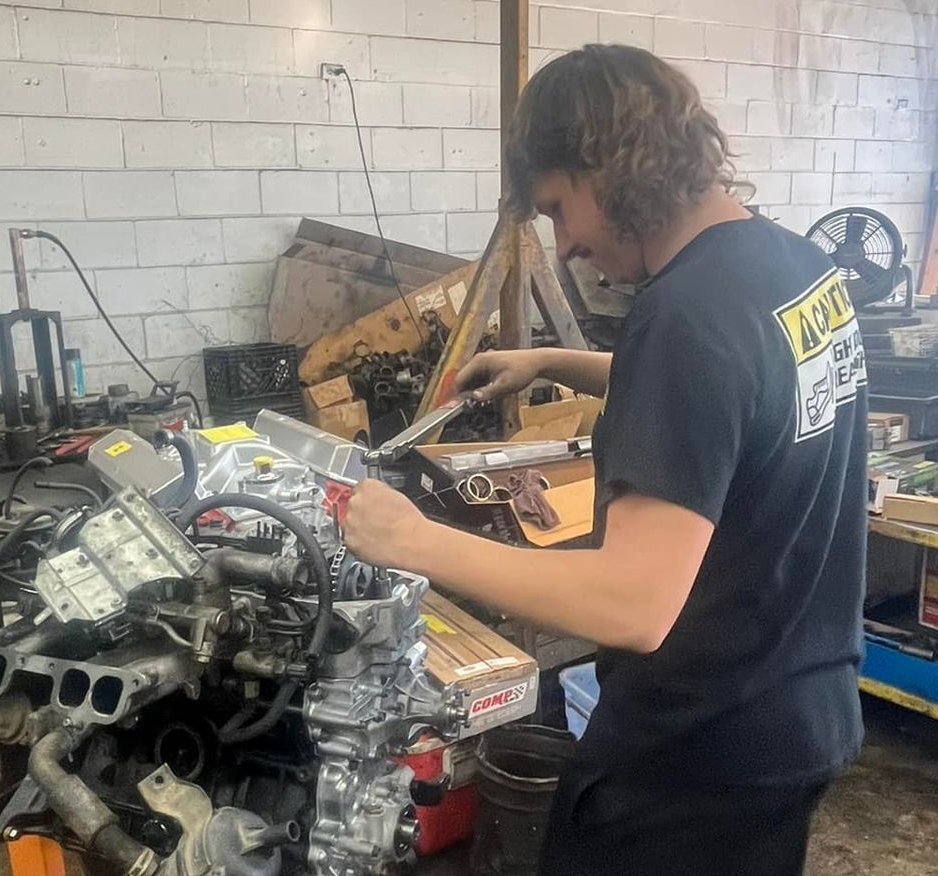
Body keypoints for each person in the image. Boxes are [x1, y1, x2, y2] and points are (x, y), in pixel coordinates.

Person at [342, 44, 868, 875]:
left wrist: (413, 541)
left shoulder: (685, 314)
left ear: (611, 165)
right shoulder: (787, 261)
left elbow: (632, 605)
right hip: (796, 710)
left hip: (696, 751)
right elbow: (746, 400)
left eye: (557, 208)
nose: (567, 244)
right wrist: (556, 362)